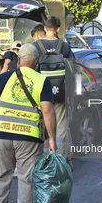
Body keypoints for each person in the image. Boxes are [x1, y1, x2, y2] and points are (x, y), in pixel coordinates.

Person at [0, 44, 56, 203]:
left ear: (19, 60)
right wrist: (52, 139)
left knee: (1, 174)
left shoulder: (4, 77)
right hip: (28, 137)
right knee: (26, 178)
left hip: (3, 134)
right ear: (37, 62)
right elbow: (47, 111)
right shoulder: (42, 80)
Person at [33, 16, 74, 171]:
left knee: (43, 127)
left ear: (45, 28)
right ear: (58, 28)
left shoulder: (36, 46)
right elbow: (72, 71)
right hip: (61, 93)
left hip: (40, 95)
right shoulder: (64, 46)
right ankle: (60, 164)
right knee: (61, 128)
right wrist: (71, 96)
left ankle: (44, 163)